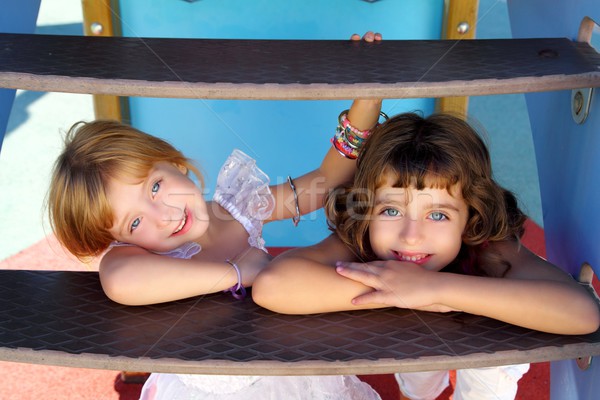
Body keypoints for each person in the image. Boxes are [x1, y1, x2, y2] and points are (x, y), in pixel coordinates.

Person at [48, 31, 387, 400]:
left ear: (173, 161)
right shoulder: (138, 257)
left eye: (155, 187)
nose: (163, 216)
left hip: (284, 375)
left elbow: (324, 183)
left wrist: (366, 103)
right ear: (120, 238)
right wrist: (239, 273)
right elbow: (120, 281)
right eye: (134, 222)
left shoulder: (239, 205)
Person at [252, 111, 600, 400]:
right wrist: (402, 290)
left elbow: (583, 313)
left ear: (470, 215)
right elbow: (273, 285)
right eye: (390, 211)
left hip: (487, 344)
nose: (411, 236)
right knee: (416, 377)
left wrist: (435, 288)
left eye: (438, 215)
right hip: (410, 341)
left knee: (486, 382)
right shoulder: (363, 236)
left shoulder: (489, 247)